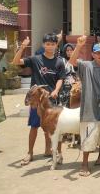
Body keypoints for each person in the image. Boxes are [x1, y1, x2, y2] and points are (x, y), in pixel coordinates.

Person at [13, 33, 65, 166]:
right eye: (47, 44)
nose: (50, 46)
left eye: (52, 44)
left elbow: (60, 78)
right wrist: (22, 47)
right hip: (36, 102)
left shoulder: (59, 61)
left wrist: (56, 90)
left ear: (56, 45)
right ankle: (30, 152)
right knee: (34, 126)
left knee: (50, 127)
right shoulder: (35, 59)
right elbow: (16, 62)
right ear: (43, 45)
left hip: (51, 100)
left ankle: (48, 150)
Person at [69, 37, 100, 177]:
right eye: (98, 53)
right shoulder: (86, 66)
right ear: (93, 54)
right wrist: (78, 46)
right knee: (89, 137)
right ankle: (84, 163)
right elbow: (71, 61)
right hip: (90, 109)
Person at [59, 43, 78, 108]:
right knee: (65, 107)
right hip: (64, 87)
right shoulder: (61, 61)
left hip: (75, 88)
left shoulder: (78, 61)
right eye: (67, 50)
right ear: (65, 51)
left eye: (71, 50)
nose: (69, 52)